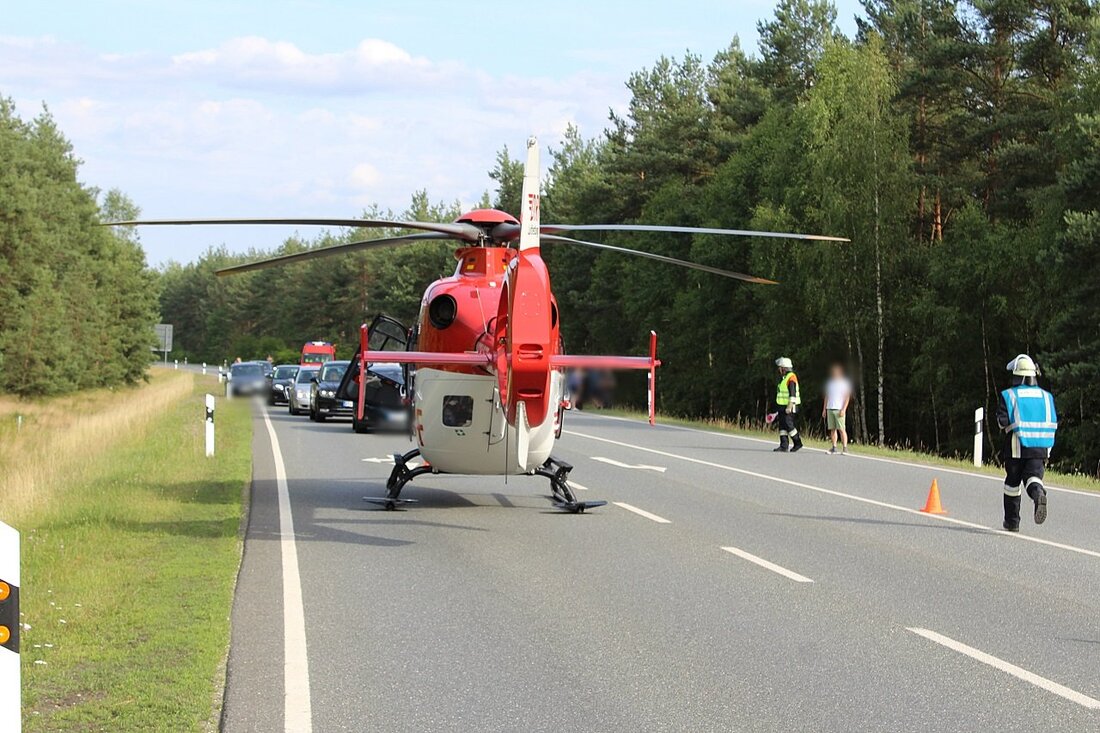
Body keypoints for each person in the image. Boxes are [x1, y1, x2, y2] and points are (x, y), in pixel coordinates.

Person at [995, 354, 1056, 532]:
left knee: (1012, 483)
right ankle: (1038, 495)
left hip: (1016, 447)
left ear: (1017, 375)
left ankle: (1012, 522)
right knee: (1033, 478)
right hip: (1040, 447)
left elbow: (1002, 422)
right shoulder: (1047, 397)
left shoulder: (1009, 395)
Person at [773, 357, 803, 453]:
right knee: (782, 425)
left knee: (788, 425)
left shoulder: (791, 377)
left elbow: (792, 393)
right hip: (782, 406)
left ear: (784, 368)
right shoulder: (784, 378)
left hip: (790, 406)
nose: (779, 369)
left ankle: (797, 442)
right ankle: (783, 445)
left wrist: (789, 406)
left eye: (780, 367)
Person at [822, 363, 852, 454]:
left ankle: (845, 447)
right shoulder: (830, 383)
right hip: (830, 408)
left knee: (842, 429)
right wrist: (824, 409)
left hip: (839, 409)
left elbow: (847, 397)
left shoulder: (844, 383)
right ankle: (834, 447)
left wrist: (844, 409)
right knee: (832, 429)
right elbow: (827, 396)